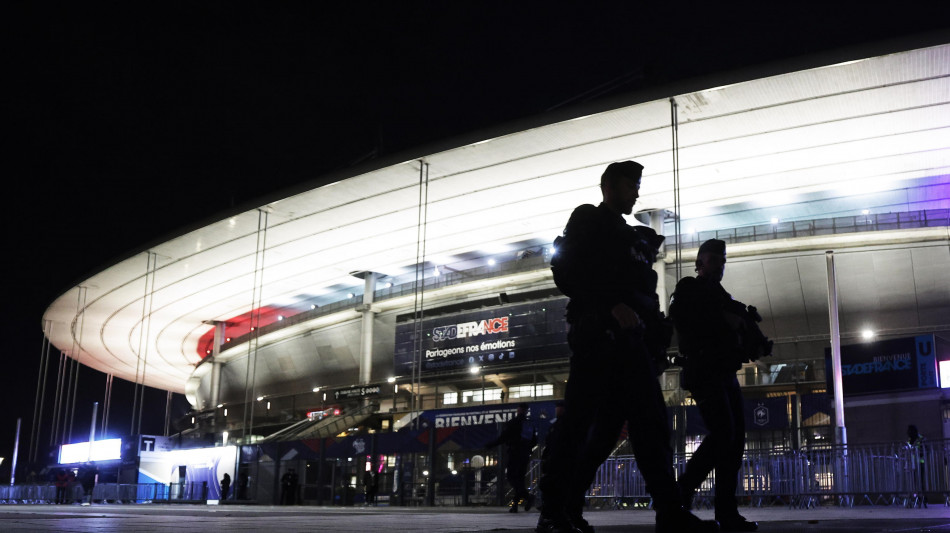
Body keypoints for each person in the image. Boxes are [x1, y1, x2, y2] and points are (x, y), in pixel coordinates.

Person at [536, 161, 718, 533]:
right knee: (579, 426)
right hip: (598, 342)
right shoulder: (590, 219)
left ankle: (668, 511)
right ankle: (554, 512)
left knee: (648, 427)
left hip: (633, 349)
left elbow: (641, 295)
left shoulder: (633, 238)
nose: (637, 192)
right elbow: (566, 269)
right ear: (610, 187)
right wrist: (608, 306)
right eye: (631, 185)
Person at [670, 238, 764, 532]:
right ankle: (682, 490)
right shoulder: (689, 288)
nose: (720, 266)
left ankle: (726, 511)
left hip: (723, 371)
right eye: (714, 260)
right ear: (700, 262)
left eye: (723, 261)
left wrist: (752, 337)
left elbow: (743, 328)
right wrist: (725, 319)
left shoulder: (724, 297)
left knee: (734, 441)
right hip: (703, 369)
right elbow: (682, 315)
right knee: (724, 434)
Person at [486, 403, 537, 512]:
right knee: (520, 479)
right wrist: (527, 449)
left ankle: (527, 497)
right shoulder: (529, 424)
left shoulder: (513, 423)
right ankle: (515, 506)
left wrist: (490, 445)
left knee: (511, 477)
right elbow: (534, 440)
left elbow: (503, 438)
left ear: (518, 410)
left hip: (515, 453)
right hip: (525, 454)